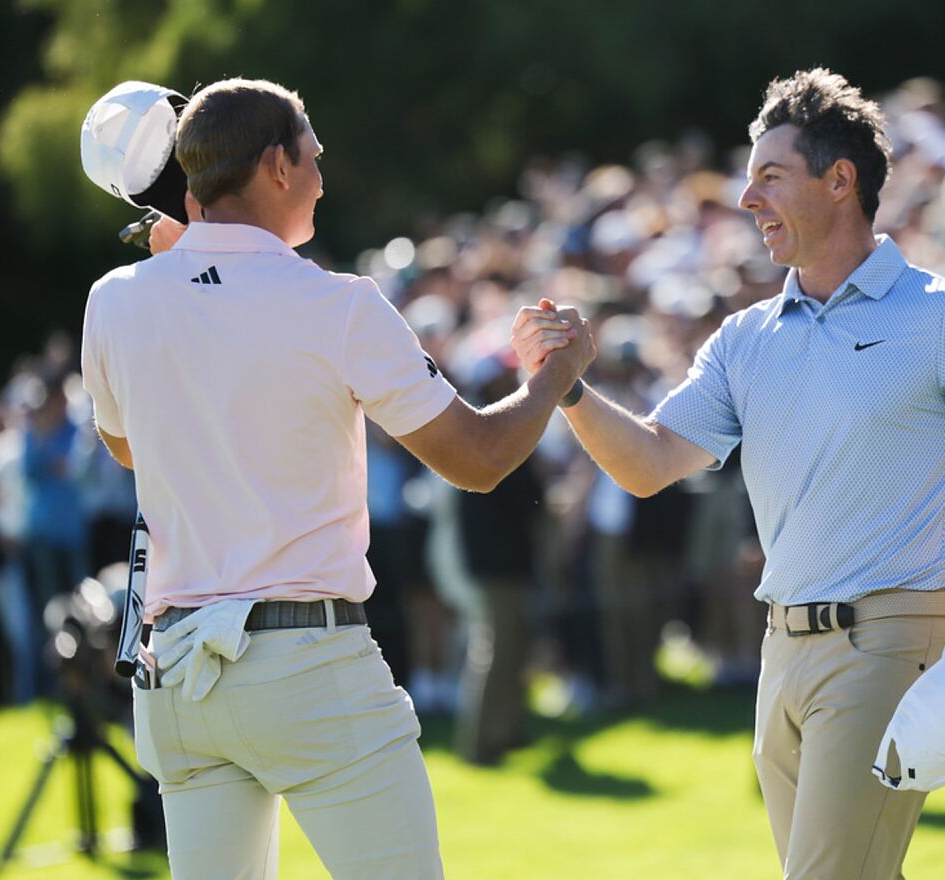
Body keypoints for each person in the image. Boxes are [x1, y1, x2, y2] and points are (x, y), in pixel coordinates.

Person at [512, 68, 945, 880]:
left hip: (891, 643)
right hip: (782, 651)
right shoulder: (745, 337)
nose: (748, 199)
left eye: (771, 177)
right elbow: (647, 463)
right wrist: (571, 388)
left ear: (840, 181)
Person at [80, 78, 595, 880]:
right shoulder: (338, 304)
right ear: (277, 166)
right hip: (305, 664)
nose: (322, 177)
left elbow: (127, 447)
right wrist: (555, 377)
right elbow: (480, 458)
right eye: (313, 156)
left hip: (177, 674)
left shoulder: (113, 300)